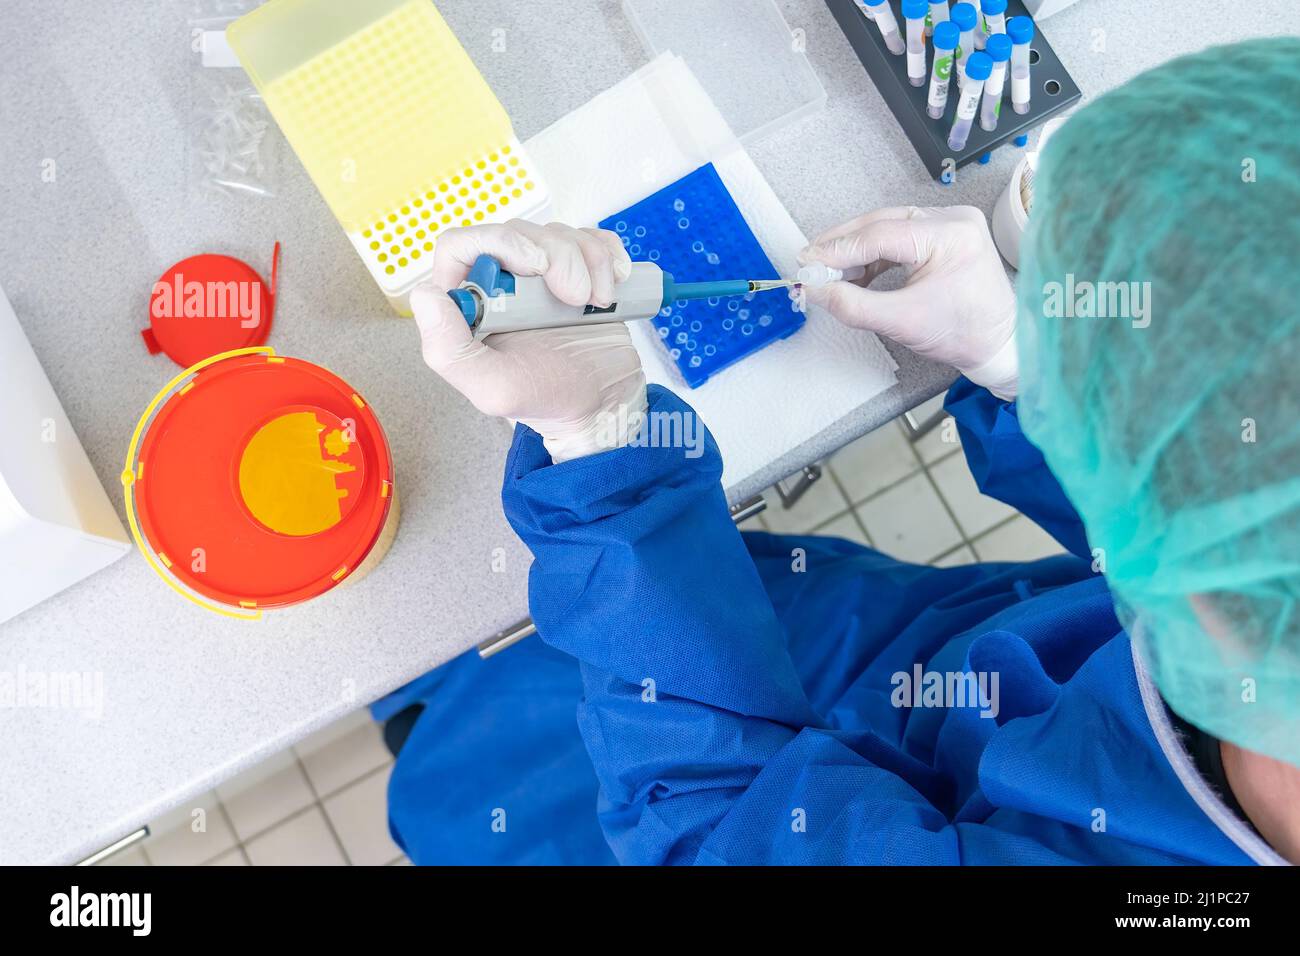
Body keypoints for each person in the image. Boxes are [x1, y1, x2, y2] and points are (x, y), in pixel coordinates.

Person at [376, 38, 1299, 865]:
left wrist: (603, 442)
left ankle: (418, 720)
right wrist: (1031, 373)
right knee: (668, 596)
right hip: (886, 639)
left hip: (667, 790)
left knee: (469, 753)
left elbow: (712, 826)